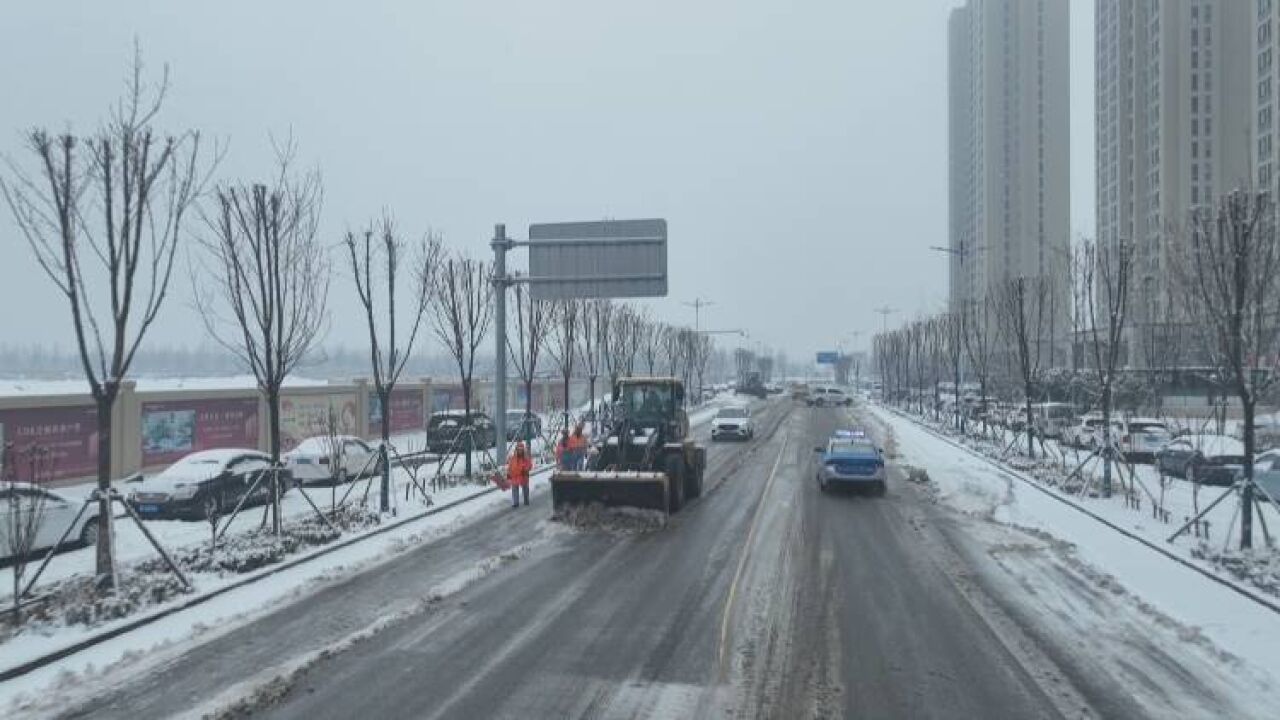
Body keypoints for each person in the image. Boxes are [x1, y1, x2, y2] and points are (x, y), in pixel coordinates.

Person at [508, 441, 532, 507]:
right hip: (515, 476)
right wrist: (509, 473)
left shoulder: (526, 457)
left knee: (525, 488)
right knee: (515, 489)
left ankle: (526, 500)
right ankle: (516, 502)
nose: (520, 451)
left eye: (521, 450)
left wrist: (526, 470)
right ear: (516, 449)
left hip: (523, 475)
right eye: (518, 449)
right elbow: (510, 466)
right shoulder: (513, 458)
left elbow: (530, 465)